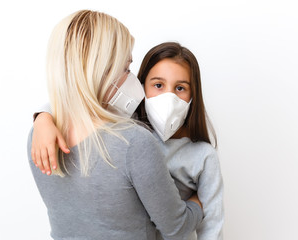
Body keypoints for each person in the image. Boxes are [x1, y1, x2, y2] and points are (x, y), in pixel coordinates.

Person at [28, 10, 203, 240]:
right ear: (99, 71)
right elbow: (176, 228)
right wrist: (198, 200)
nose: (133, 81)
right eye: (126, 69)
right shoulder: (133, 143)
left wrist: (42, 116)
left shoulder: (38, 136)